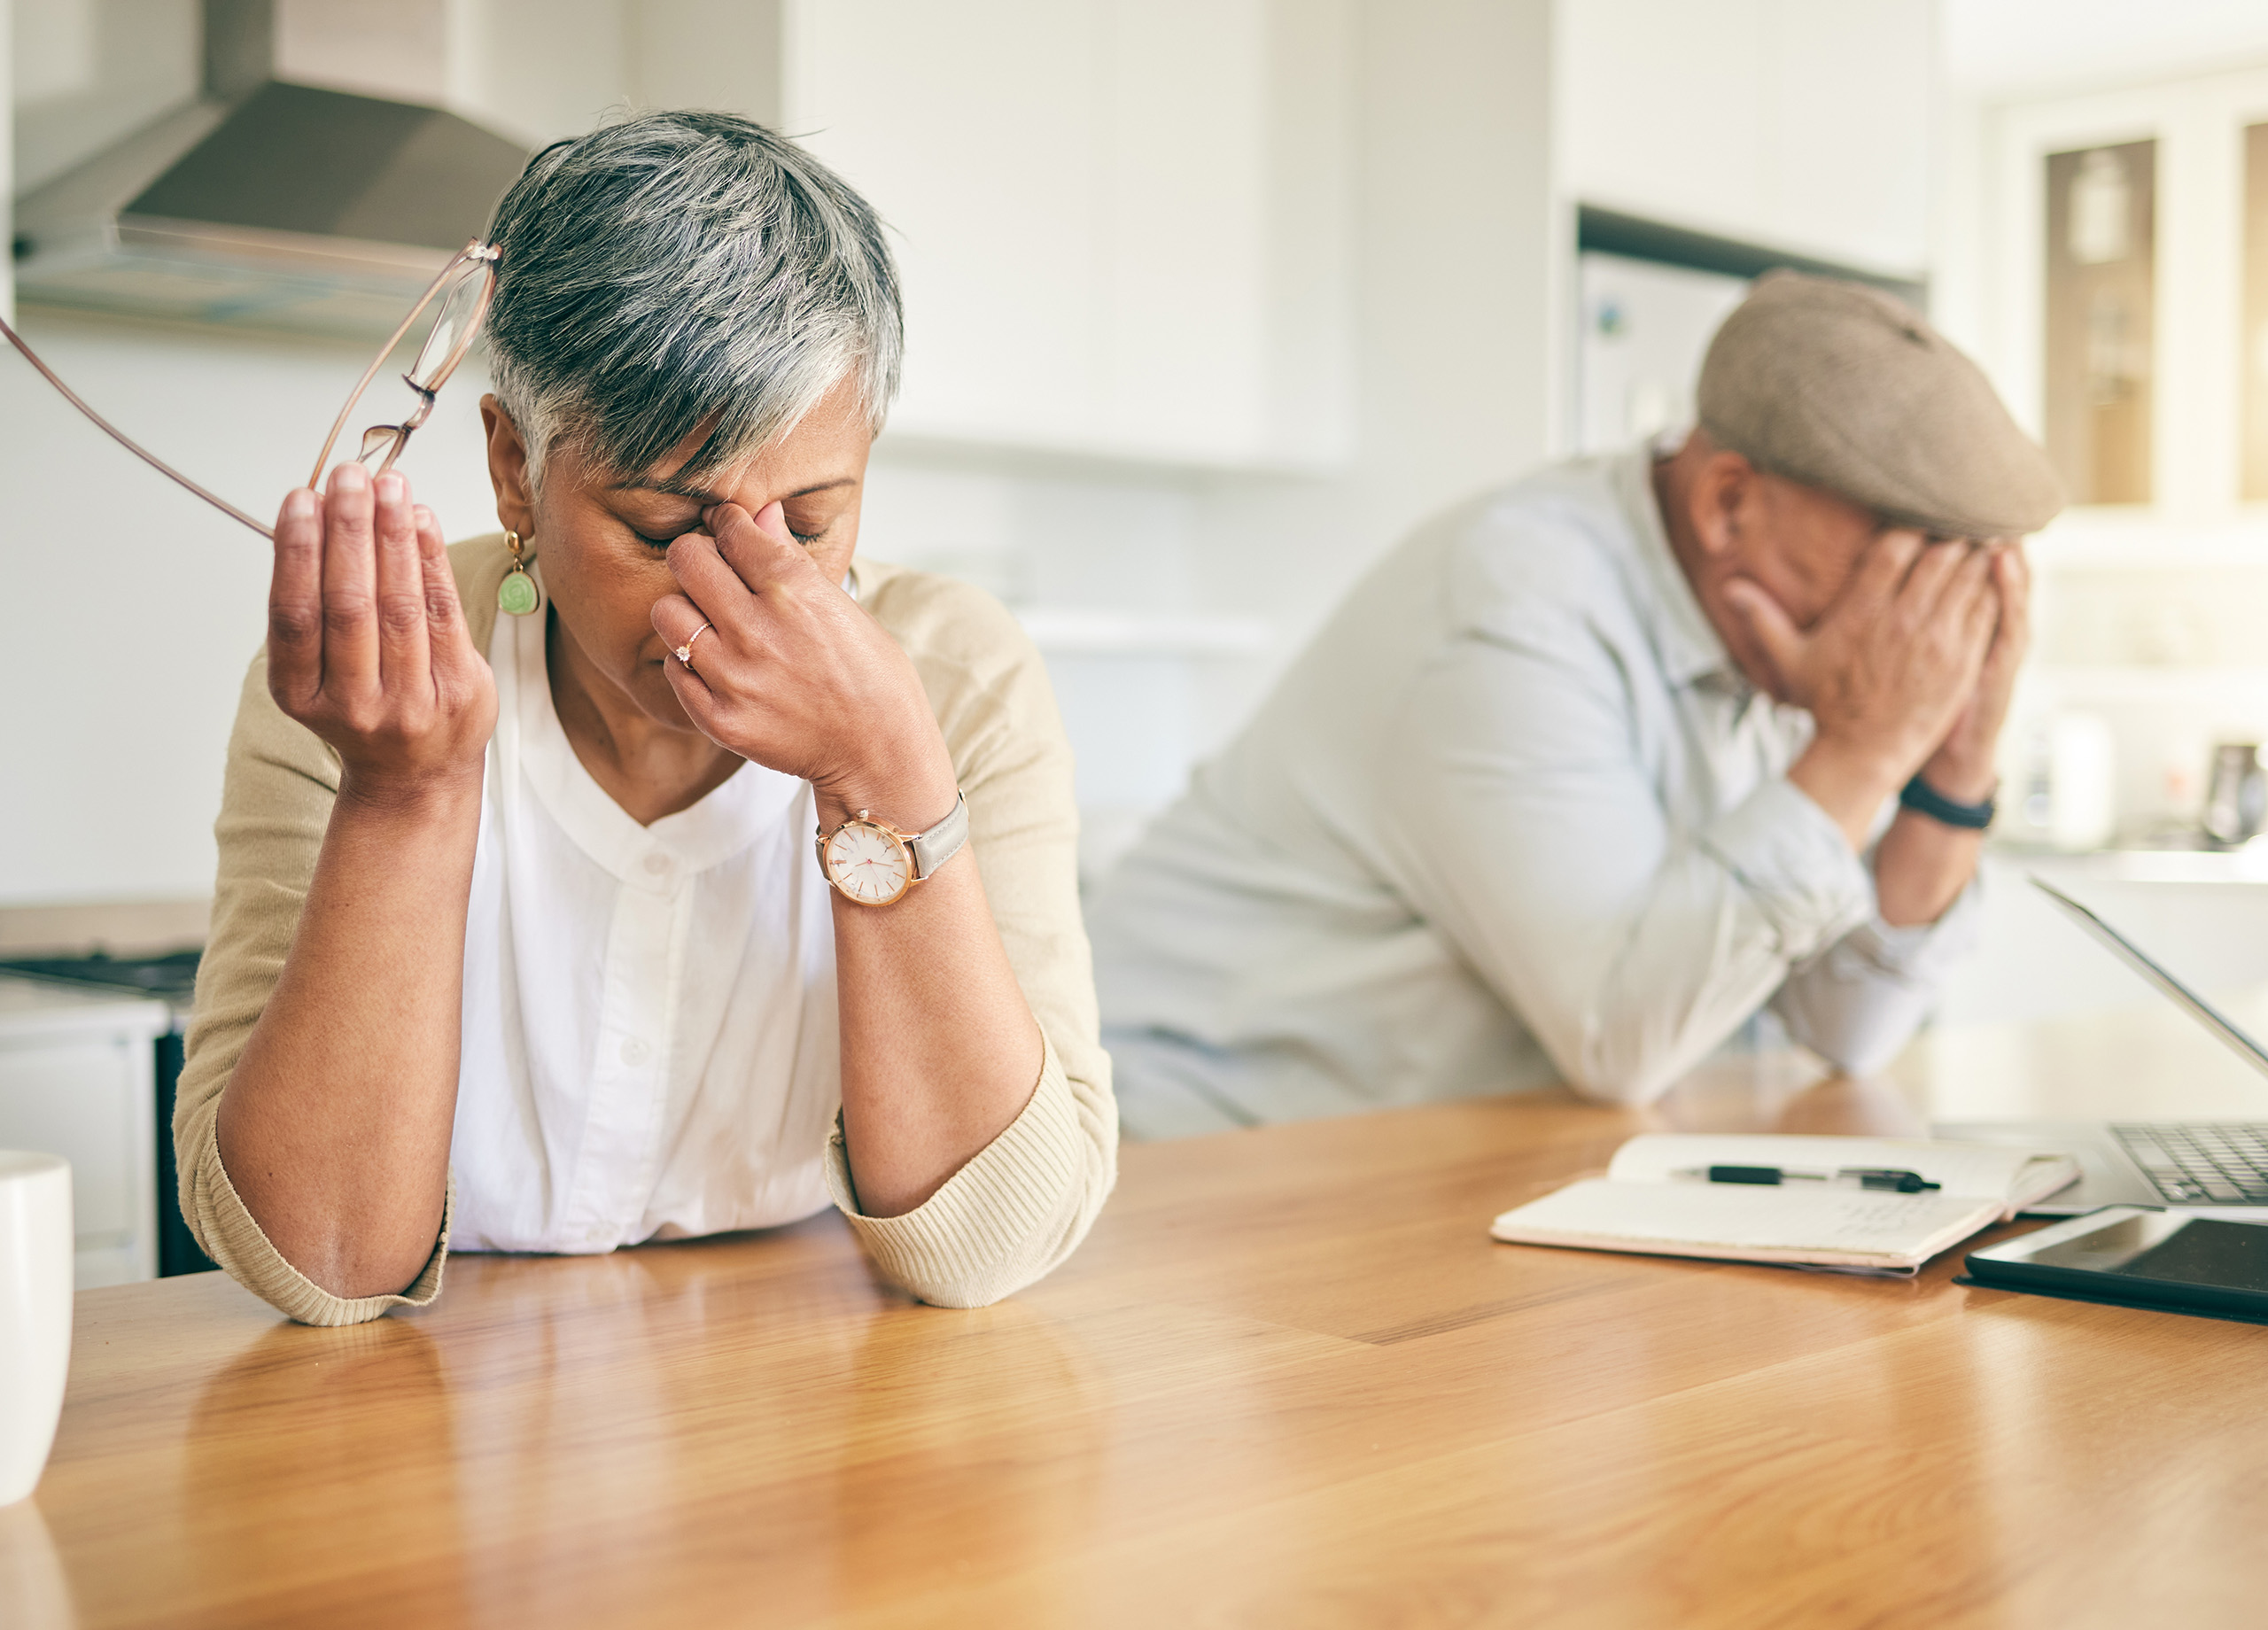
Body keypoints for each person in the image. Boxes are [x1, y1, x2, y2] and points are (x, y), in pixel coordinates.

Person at [176, 112, 1115, 1325]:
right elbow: (319, 1260)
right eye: (667, 529)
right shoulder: (371, 679)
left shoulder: (956, 678)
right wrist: (400, 798)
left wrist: (885, 774)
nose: (745, 591)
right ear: (516, 468)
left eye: (814, 524)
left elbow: (994, 1247)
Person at [1089, 273, 2062, 1137]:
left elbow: (1847, 1030)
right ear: (1728, 503)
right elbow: (1621, 1036)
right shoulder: (1516, 600)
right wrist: (1861, 752)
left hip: (1435, 1159)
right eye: (1897, 568)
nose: (1916, 628)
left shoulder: (1781, 641)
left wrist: (1950, 775)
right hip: (1199, 1161)